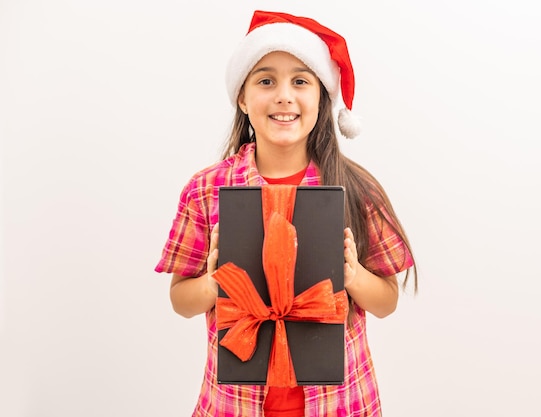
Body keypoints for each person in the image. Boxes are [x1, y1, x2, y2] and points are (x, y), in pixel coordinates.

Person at [155, 10, 417, 417]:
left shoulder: (356, 191)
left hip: (339, 404)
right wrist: (214, 282)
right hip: (235, 405)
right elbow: (180, 299)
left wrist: (353, 276)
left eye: (300, 81)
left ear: (321, 98)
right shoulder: (206, 191)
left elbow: (386, 302)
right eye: (265, 81)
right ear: (242, 98)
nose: (283, 96)